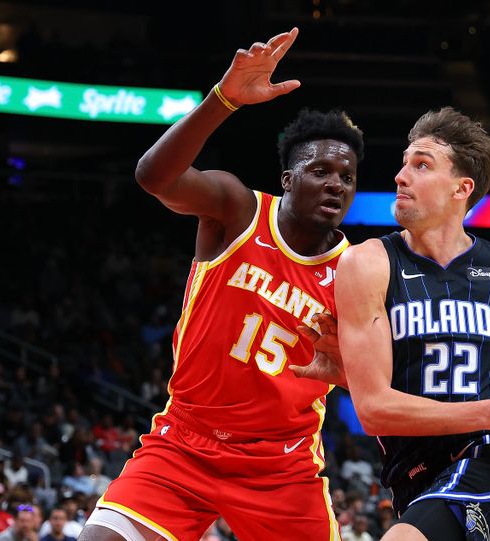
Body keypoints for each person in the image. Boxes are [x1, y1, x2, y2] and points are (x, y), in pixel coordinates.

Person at [78, 27, 364, 541]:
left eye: (346, 176)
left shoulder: (358, 271)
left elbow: (370, 375)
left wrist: (353, 376)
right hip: (186, 442)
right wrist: (223, 99)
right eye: (320, 169)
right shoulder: (239, 210)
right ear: (288, 180)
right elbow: (154, 177)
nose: (335, 183)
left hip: (282, 466)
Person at [332, 107, 490, 540]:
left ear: (462, 188)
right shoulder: (366, 264)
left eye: (421, 165)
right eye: (404, 163)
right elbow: (373, 410)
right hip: (415, 477)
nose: (400, 176)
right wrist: (345, 373)